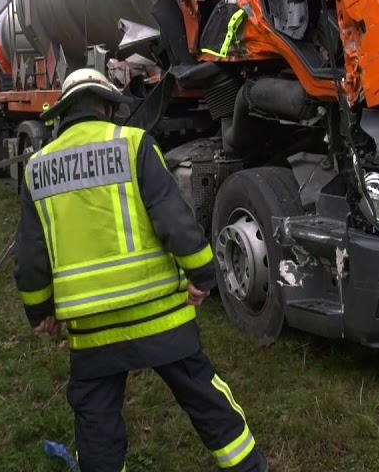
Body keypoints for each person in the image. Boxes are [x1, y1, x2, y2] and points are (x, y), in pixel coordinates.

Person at [15, 68, 267, 472]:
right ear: (108, 106)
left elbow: (30, 257)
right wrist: (203, 276)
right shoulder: (132, 145)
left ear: (63, 113)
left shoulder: (38, 169)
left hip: (92, 327)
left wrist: (38, 310)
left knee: (96, 420)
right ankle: (248, 467)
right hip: (160, 316)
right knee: (204, 396)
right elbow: (175, 221)